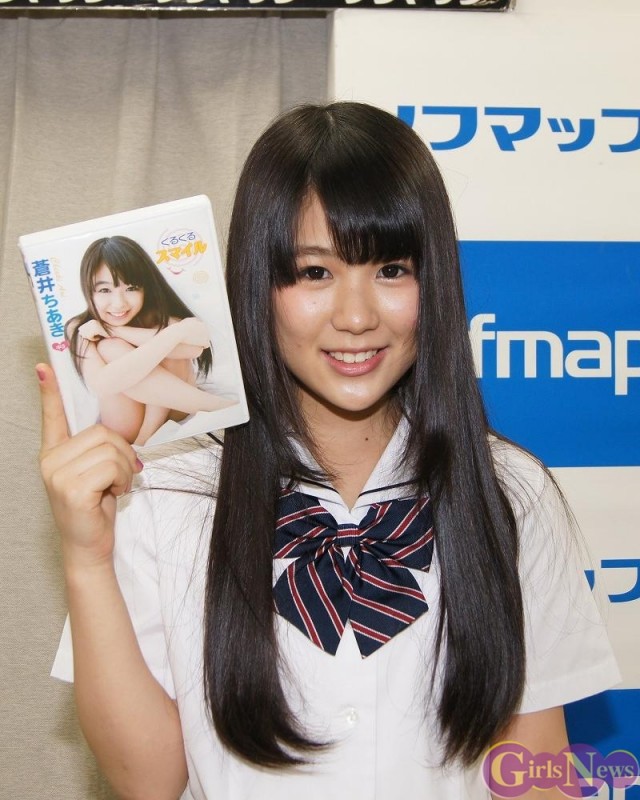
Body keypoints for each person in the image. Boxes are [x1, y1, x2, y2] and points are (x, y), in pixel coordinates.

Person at [39, 102, 619, 800]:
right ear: (258, 283)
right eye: (314, 273)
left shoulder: (511, 493)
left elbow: (536, 773)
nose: (356, 316)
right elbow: (148, 782)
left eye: (392, 269)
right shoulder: (162, 495)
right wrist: (86, 560)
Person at [66, 235, 235, 446]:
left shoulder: (155, 315)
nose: (119, 303)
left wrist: (115, 330)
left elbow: (194, 349)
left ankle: (150, 432)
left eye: (131, 288)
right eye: (104, 290)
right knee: (112, 347)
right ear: (88, 290)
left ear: (145, 287)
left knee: (164, 342)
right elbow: (102, 385)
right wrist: (176, 332)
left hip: (175, 411)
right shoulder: (79, 327)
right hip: (125, 425)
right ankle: (215, 405)